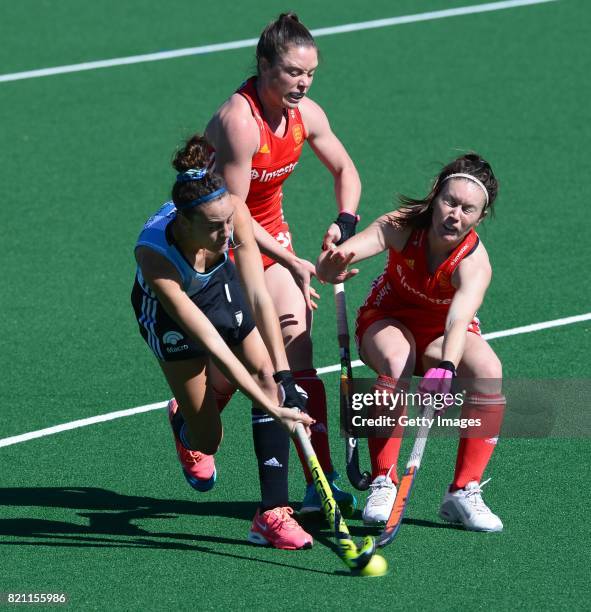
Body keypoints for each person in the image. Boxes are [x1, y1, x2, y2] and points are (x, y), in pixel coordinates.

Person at [204, 12, 360, 515]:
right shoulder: (239, 122)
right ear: (264, 65)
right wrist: (293, 260)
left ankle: (321, 479)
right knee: (246, 365)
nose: (303, 83)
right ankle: (190, 418)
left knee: (295, 355)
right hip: (215, 249)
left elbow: (345, 168)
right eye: (292, 72)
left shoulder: (304, 115)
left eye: (310, 74)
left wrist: (345, 220)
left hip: (270, 242)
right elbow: (233, 215)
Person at [131, 134, 317, 550]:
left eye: (228, 223)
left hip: (218, 286)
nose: (227, 233)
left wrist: (283, 378)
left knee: (266, 374)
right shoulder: (155, 254)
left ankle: (270, 514)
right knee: (208, 439)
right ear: (184, 222)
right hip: (169, 319)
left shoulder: (231, 212)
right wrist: (274, 408)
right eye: (214, 228)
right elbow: (213, 344)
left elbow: (258, 296)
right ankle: (184, 424)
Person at [316, 153, 505, 532]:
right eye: (450, 202)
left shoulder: (475, 264)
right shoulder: (402, 227)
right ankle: (383, 481)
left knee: (488, 371)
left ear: (480, 218)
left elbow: (458, 320)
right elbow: (349, 253)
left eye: (468, 209)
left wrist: (447, 367)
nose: (455, 215)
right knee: (398, 359)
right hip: (386, 321)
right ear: (435, 196)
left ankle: (463, 491)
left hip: (440, 336)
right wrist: (331, 264)